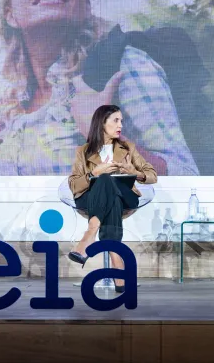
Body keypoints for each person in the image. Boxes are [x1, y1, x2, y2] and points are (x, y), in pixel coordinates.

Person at [0, 0, 199, 177]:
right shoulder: (5, 108)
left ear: (86, 5)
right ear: (11, 15)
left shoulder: (123, 66)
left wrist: (104, 139)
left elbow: (186, 178)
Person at [67, 104, 157, 293]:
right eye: (116, 120)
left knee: (109, 185)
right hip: (91, 199)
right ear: (102, 123)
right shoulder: (83, 151)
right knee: (108, 190)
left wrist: (134, 172)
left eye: (121, 121)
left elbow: (152, 175)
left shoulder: (127, 148)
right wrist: (94, 173)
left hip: (127, 196)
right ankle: (117, 258)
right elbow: (74, 184)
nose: (120, 125)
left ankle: (89, 234)